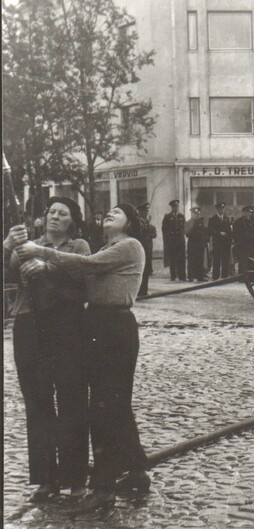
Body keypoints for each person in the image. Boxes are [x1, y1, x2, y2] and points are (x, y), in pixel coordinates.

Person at [15, 203, 150, 513]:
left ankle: (103, 488)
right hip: (97, 325)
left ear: (130, 223)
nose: (109, 213)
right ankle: (138, 470)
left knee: (105, 406)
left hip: (115, 325)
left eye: (117, 212)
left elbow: (85, 265)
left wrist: (42, 252)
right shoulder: (109, 245)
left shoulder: (129, 245)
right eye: (108, 210)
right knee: (114, 404)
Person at [4, 197, 90, 502]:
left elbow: (83, 278)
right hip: (29, 325)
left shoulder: (79, 246)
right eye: (51, 211)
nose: (55, 216)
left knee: (71, 398)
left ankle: (76, 479)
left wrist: (47, 265)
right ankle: (46, 478)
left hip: (66, 325)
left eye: (63, 213)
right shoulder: (25, 245)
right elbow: (7, 272)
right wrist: (7, 247)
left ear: (73, 220)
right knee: (38, 402)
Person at [161, 199, 186, 281]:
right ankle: (173, 276)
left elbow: (184, 228)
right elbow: (164, 230)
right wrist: (167, 240)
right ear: (171, 207)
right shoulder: (167, 217)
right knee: (173, 259)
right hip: (172, 242)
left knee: (181, 258)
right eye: (174, 206)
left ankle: (182, 276)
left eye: (177, 206)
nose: (176, 208)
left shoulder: (181, 216)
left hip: (180, 241)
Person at [208, 202, 232, 280]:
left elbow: (229, 231)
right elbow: (210, 231)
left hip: (225, 243)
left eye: (223, 208)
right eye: (220, 208)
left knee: (225, 260)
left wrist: (228, 237)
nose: (222, 210)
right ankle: (215, 276)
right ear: (217, 209)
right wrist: (219, 233)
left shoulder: (226, 218)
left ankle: (224, 276)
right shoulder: (212, 219)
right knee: (216, 260)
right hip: (217, 242)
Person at [136, 203, 157, 297]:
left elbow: (152, 232)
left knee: (146, 271)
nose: (146, 213)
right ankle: (140, 291)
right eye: (144, 211)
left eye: (147, 211)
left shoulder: (146, 222)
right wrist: (147, 224)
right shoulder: (137, 222)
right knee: (141, 270)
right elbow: (141, 233)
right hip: (141, 248)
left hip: (147, 249)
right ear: (140, 212)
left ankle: (144, 290)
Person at [185, 207, 209, 281]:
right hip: (192, 245)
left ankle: (200, 276)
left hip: (200, 245)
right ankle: (191, 276)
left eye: (198, 214)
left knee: (200, 261)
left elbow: (204, 233)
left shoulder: (201, 222)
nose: (197, 215)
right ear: (192, 214)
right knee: (191, 260)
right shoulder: (188, 222)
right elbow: (187, 234)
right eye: (195, 214)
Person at [232, 206, 254, 275]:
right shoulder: (238, 222)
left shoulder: (252, 221)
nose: (249, 214)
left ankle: (250, 276)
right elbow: (235, 234)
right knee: (242, 261)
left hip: (251, 244)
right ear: (243, 213)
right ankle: (241, 275)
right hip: (242, 245)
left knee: (251, 260)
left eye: (250, 212)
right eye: (247, 212)